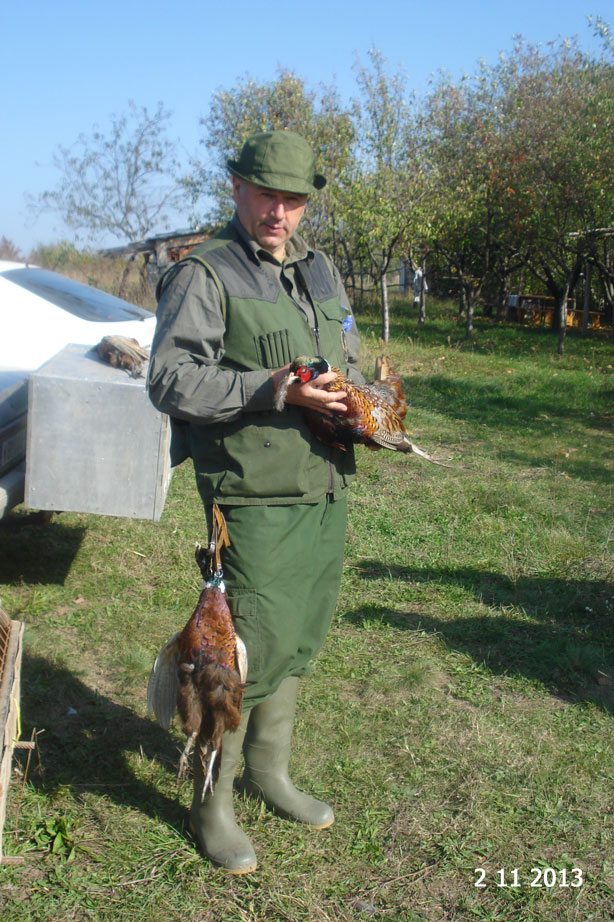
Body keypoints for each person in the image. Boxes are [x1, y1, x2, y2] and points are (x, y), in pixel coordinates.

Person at [147, 130, 364, 873]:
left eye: (294, 198)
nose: (279, 211)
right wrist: (272, 389)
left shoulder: (320, 267)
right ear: (236, 187)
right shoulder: (204, 272)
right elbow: (170, 381)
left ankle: (270, 771)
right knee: (238, 655)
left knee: (299, 634)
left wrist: (355, 404)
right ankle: (214, 802)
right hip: (251, 495)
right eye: (266, 193)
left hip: (324, 482)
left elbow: (345, 351)